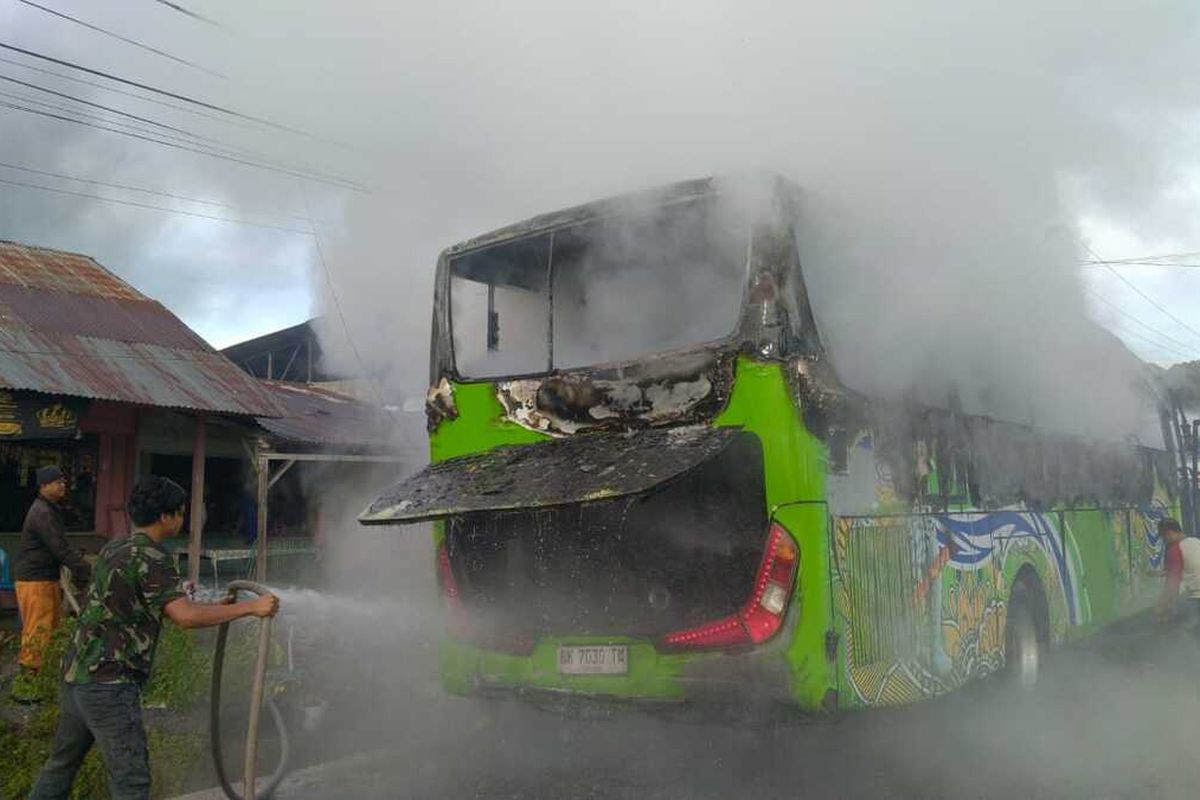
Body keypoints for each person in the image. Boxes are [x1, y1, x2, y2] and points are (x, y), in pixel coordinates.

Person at [29, 476, 279, 800]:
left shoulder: (116, 546)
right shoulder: (154, 557)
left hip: (77, 674)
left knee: (60, 766)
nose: (183, 518)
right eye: (181, 512)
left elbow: (155, 605)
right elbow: (185, 618)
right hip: (109, 684)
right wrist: (252, 607)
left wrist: (215, 607)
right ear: (166, 516)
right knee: (131, 781)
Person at [14, 465, 91, 682]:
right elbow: (60, 549)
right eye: (58, 482)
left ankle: (41, 679)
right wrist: (85, 569)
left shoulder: (50, 509)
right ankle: (28, 683)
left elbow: (62, 546)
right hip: (35, 579)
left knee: (51, 629)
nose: (62, 486)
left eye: (63, 482)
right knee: (38, 632)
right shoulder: (42, 512)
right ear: (44, 486)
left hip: (45, 578)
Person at [1156, 517, 1200, 631]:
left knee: (1183, 630)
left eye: (1163, 537)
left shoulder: (1176, 549)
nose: (1164, 541)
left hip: (1195, 599)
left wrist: (1164, 604)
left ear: (1169, 533)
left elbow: (1173, 581)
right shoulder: (1196, 542)